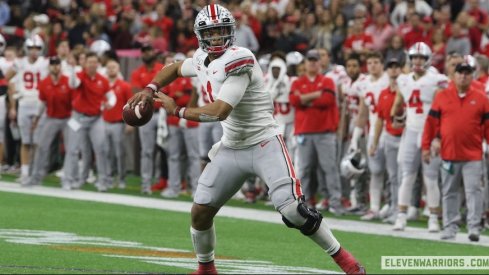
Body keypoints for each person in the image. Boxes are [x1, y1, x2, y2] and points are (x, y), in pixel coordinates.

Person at [128, 4, 365, 275]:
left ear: (231, 32)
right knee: (200, 212)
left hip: (264, 142)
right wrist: (150, 88)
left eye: (221, 31)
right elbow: (173, 67)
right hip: (232, 146)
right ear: (201, 35)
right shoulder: (200, 58)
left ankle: (346, 260)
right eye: (211, 33)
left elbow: (219, 111)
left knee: (293, 211)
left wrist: (178, 110)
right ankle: (206, 269)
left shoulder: (240, 59)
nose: (217, 38)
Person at [422, 60, 488, 241]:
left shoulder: (482, 98)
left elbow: (488, 126)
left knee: (474, 191)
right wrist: (426, 146)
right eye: (460, 72)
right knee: (449, 191)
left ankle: (474, 227)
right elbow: (431, 124)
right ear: (454, 75)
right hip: (449, 153)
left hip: (473, 155)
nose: (463, 75)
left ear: (472, 75)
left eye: (467, 72)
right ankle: (450, 227)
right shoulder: (442, 96)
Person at [391, 42, 449, 232]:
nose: (417, 61)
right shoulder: (404, 80)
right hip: (411, 130)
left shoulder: (437, 79)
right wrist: (395, 115)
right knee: (407, 175)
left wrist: (437, 135)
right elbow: (400, 100)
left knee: (430, 177)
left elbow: (442, 109)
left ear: (427, 59)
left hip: (429, 132)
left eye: (421, 58)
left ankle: (433, 217)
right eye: (414, 57)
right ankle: (401, 216)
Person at [290, 49, 344, 216]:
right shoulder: (297, 82)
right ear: (305, 63)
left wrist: (305, 98)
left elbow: (326, 100)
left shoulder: (327, 81)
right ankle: (304, 203)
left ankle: (335, 202)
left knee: (329, 168)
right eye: (310, 60)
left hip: (325, 132)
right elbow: (294, 101)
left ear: (320, 63)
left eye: (315, 60)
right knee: (305, 169)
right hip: (305, 131)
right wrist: (314, 96)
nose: (312, 63)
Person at [348, 51, 389, 221]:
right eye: (370, 62)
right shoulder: (364, 84)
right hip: (373, 132)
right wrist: (355, 137)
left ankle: (392, 206)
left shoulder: (390, 80)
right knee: (375, 171)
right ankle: (374, 207)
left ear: (382, 64)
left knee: (393, 173)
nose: (372, 65)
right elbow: (363, 113)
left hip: (392, 131)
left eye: (376, 62)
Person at [62, 52, 111, 191]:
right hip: (77, 117)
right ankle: (69, 179)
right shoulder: (79, 75)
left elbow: (110, 95)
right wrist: (72, 69)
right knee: (72, 149)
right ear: (85, 64)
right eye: (90, 62)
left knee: (101, 148)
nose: (92, 65)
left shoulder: (102, 79)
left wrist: (110, 103)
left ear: (98, 64)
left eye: (95, 62)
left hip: (95, 118)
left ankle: (103, 181)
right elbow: (72, 84)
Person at [6, 34, 49, 184]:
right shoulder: (20, 63)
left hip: (40, 104)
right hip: (24, 103)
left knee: (37, 142)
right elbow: (7, 77)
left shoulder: (46, 63)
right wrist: (15, 90)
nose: (34, 51)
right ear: (26, 48)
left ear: (41, 49)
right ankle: (25, 172)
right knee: (25, 141)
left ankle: (35, 172)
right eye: (31, 47)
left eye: (37, 48)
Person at [368, 58, 404, 223]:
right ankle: (394, 207)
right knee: (393, 176)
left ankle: (404, 209)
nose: (394, 70)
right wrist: (375, 143)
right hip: (389, 136)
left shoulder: (407, 89)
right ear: (387, 70)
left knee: (406, 176)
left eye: (397, 67)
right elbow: (380, 120)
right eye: (391, 67)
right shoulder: (383, 93)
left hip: (405, 136)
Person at [28, 56, 73, 186]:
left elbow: (75, 101)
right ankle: (36, 177)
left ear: (61, 66)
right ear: (49, 66)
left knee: (71, 149)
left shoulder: (67, 81)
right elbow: (42, 102)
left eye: (57, 64)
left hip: (68, 117)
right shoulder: (44, 82)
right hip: (51, 117)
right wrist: (36, 118)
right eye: (53, 64)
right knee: (42, 146)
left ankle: (68, 179)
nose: (55, 66)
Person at [130, 44, 165, 194]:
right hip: (146, 115)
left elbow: (166, 90)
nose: (146, 54)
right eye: (143, 51)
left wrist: (149, 95)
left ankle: (161, 181)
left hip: (163, 113)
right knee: (147, 151)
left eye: (149, 50)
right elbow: (138, 93)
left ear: (154, 52)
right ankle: (146, 184)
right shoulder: (137, 72)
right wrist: (153, 96)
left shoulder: (161, 68)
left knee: (164, 150)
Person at [102, 59, 133, 189]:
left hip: (118, 123)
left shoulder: (125, 86)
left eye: (113, 67)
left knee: (119, 152)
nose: (111, 70)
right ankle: (108, 177)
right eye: (109, 67)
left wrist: (130, 123)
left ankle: (121, 178)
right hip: (104, 122)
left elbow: (130, 104)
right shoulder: (102, 85)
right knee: (106, 152)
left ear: (118, 69)